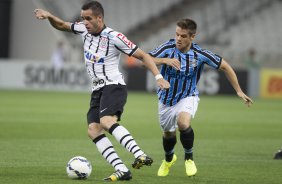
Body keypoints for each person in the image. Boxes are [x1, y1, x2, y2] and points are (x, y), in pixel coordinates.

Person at [34, 1, 170, 181]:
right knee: (93, 130)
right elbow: (61, 25)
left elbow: (143, 56)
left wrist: (159, 77)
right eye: (83, 18)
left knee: (106, 121)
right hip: (97, 89)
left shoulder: (115, 37)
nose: (85, 22)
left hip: (113, 86)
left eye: (88, 18)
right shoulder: (83, 29)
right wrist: (50, 16)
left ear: (99, 18)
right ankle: (122, 170)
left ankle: (140, 154)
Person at [149, 18, 253, 177]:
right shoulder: (168, 48)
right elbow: (145, 60)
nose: (178, 38)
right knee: (168, 134)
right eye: (177, 34)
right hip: (165, 100)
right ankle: (169, 159)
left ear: (192, 37)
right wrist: (164, 60)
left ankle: (189, 158)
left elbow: (225, 66)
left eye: (183, 36)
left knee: (183, 123)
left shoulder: (200, 54)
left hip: (187, 96)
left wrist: (238, 90)